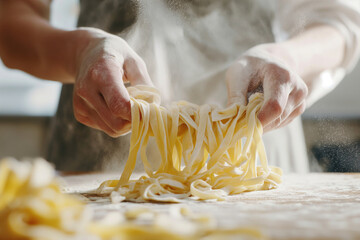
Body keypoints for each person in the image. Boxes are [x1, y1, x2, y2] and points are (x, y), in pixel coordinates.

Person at [0, 0, 359, 172]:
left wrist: (287, 58)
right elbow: (11, 20)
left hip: (255, 140)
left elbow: (340, 24)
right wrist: (80, 51)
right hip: (100, 140)